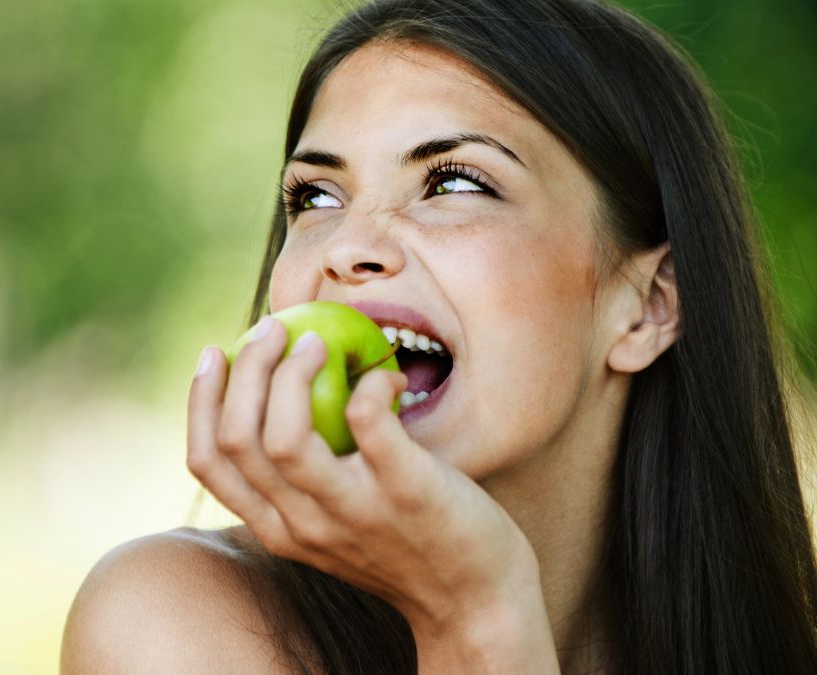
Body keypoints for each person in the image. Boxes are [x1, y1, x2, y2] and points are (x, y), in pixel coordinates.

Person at [61, 0, 817, 672]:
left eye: (454, 182)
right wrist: (471, 613)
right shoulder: (172, 624)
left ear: (648, 304)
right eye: (315, 195)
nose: (348, 244)